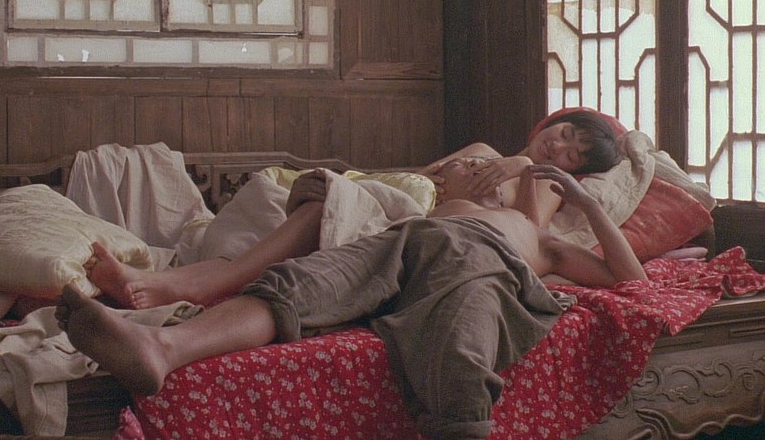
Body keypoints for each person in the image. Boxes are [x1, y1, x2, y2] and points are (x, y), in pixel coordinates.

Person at [56, 162, 646, 440]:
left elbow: (630, 277)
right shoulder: (440, 203)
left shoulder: (537, 237)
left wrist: (585, 202)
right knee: (296, 286)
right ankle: (162, 347)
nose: (488, 174)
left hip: (476, 259)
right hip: (401, 243)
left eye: (509, 177)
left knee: (459, 354)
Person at [85, 108, 621, 310]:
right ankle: (181, 281)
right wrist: (453, 174)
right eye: (564, 133)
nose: (559, 147)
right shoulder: (482, 149)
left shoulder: (544, 183)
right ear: (552, 123)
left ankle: (187, 286)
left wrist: (521, 168)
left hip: (419, 237)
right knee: (314, 201)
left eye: (573, 155)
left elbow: (526, 232)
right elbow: (416, 179)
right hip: (401, 210)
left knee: (324, 211)